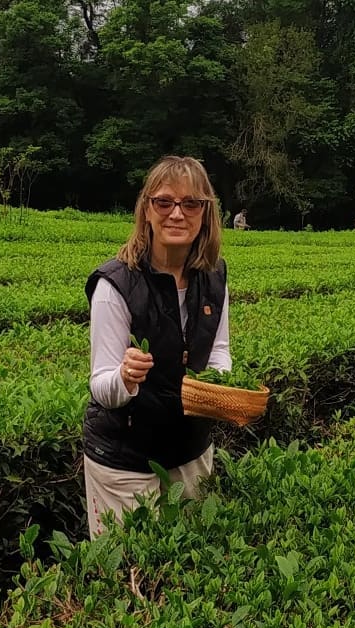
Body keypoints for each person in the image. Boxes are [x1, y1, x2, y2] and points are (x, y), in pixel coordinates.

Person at [83, 155, 232, 539]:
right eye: (164, 202)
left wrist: (222, 389)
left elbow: (219, 352)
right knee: (132, 571)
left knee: (190, 567)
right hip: (125, 459)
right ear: (146, 210)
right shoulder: (114, 285)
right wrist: (125, 377)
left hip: (190, 449)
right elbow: (101, 385)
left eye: (191, 203)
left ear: (205, 213)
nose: (176, 214)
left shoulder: (214, 278)